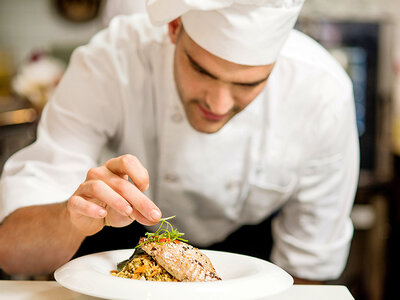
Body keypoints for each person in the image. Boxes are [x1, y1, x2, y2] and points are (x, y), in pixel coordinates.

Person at [0, 0, 359, 284]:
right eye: (201, 70)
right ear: (174, 28)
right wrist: (71, 219)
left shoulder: (322, 94)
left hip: (252, 264)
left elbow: (308, 270)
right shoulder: (111, 61)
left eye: (247, 84)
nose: (217, 105)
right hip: (117, 250)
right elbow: (10, 249)